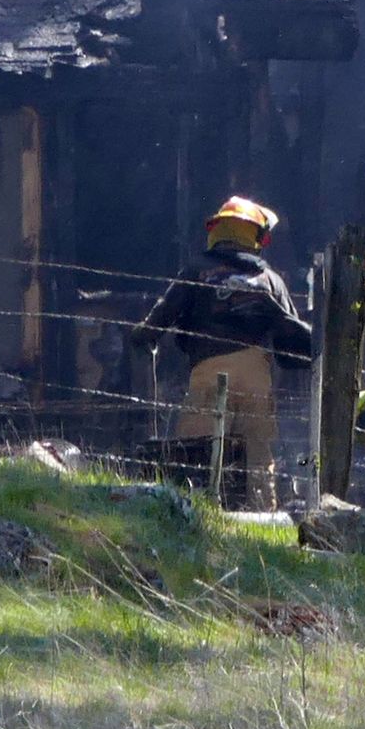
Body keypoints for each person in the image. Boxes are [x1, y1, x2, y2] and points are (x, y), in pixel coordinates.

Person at [133, 196, 314, 507]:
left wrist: (141, 335)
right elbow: (292, 334)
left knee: (198, 451)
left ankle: (197, 512)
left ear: (217, 231)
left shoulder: (196, 271)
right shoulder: (270, 280)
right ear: (257, 237)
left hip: (209, 371)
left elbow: (160, 317)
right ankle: (261, 514)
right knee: (257, 455)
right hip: (257, 376)